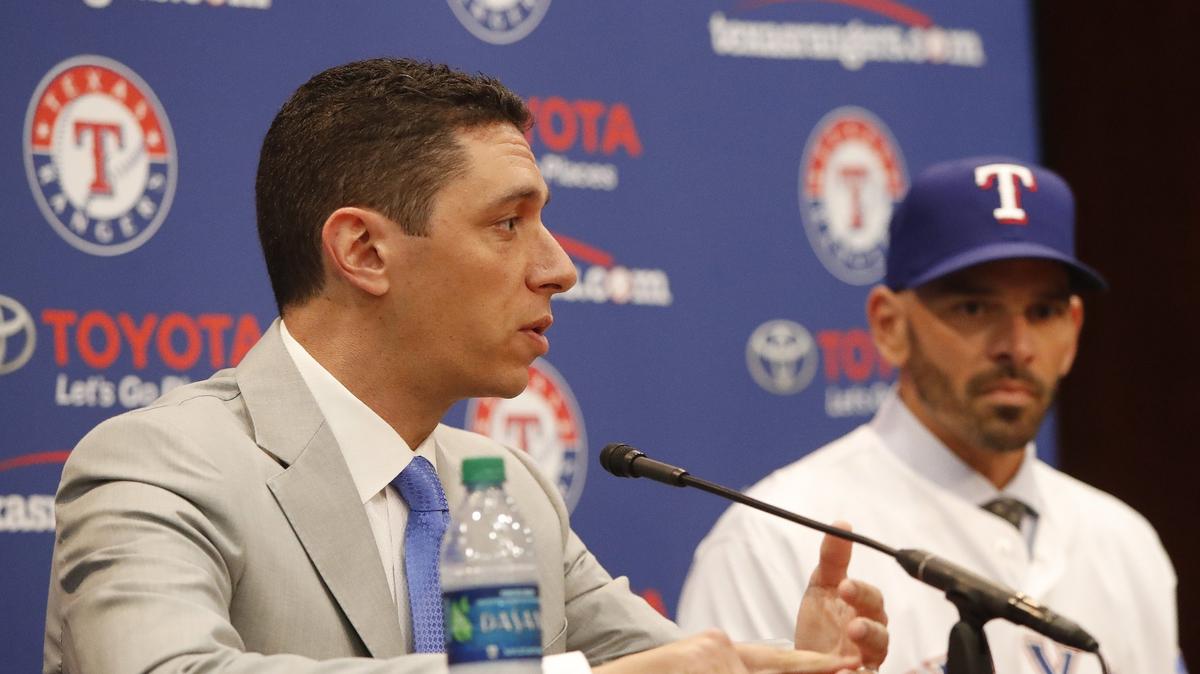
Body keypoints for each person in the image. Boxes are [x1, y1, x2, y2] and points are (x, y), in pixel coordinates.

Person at [43, 58, 888, 674]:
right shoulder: (159, 466)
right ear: (364, 251)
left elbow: (672, 668)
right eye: (509, 223)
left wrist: (798, 666)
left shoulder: (510, 488)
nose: (561, 267)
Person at [677, 157, 1182, 673]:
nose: (1017, 344)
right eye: (974, 308)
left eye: (1043, 312)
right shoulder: (771, 541)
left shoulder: (1128, 546)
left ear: (1074, 329)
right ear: (889, 325)